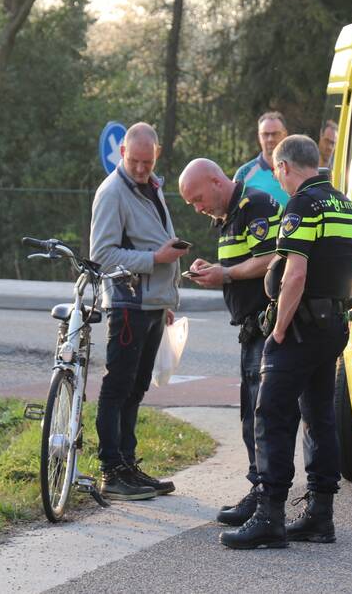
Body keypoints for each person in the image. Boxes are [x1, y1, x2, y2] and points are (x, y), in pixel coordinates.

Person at [220, 135, 352, 550]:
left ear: (283, 167)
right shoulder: (345, 205)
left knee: (272, 415)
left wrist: (279, 329)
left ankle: (270, 515)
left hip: (298, 328)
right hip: (332, 324)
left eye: (278, 173)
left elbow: (294, 273)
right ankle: (320, 515)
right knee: (320, 416)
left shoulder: (301, 205)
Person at [177, 158, 282, 527]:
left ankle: (265, 497)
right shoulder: (227, 217)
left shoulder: (254, 205)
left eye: (198, 198)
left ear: (215, 181)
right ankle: (259, 490)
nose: (197, 207)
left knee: (260, 415)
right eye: (191, 203)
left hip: (264, 326)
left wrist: (225, 274)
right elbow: (240, 264)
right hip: (248, 328)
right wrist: (215, 270)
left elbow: (271, 257)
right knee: (249, 414)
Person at [89, 122, 188, 501]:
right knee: (118, 386)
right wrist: (155, 259)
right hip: (128, 303)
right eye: (135, 161)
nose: (142, 168)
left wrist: (166, 300)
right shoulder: (112, 192)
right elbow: (102, 254)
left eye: (148, 161)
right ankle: (111, 471)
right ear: (122, 155)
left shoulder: (153, 185)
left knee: (137, 387)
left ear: (156, 154)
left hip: (151, 304)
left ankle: (128, 465)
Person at [234, 111, 290, 205]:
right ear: (259, 137)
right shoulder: (244, 174)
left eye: (275, 134)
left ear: (285, 134)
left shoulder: (298, 169)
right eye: (265, 134)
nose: (270, 139)